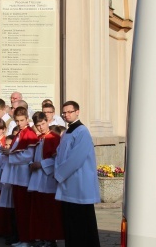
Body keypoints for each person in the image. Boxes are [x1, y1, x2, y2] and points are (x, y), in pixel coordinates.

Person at [55, 100, 101, 247]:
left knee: (83, 222)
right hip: (69, 183)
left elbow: (76, 158)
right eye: (64, 112)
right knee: (71, 223)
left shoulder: (82, 132)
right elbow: (60, 154)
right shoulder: (67, 132)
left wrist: (59, 174)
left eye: (69, 112)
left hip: (79, 184)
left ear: (77, 112)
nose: (66, 115)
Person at [0, 106, 38, 247]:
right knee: (19, 210)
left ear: (27, 119)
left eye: (22, 120)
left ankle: (27, 240)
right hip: (17, 176)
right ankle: (22, 239)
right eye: (17, 121)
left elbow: (28, 155)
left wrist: (10, 155)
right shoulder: (19, 133)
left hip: (24, 176)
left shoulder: (29, 133)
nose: (19, 123)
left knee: (24, 210)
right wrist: (7, 152)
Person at [27, 112, 64, 247]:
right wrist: (31, 164)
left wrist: (41, 164)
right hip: (37, 177)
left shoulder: (54, 138)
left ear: (47, 121)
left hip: (48, 178)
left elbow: (57, 159)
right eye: (38, 125)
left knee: (49, 210)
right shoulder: (39, 138)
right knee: (39, 209)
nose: (41, 127)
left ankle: (50, 238)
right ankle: (40, 236)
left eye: (43, 124)